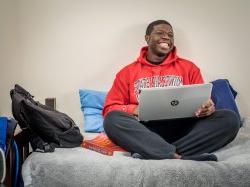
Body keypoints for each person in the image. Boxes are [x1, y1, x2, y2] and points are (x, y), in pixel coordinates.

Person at [102, 20, 240, 161]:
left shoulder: (189, 68)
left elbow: (203, 101)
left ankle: (155, 152)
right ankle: (178, 156)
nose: (166, 37)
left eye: (170, 35)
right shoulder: (127, 72)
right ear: (147, 38)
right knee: (112, 120)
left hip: (184, 129)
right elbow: (109, 108)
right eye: (160, 33)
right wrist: (135, 109)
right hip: (146, 131)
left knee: (230, 119)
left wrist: (207, 108)